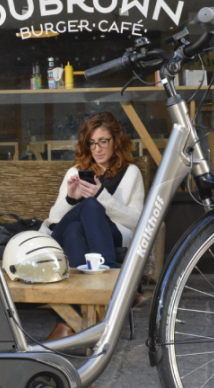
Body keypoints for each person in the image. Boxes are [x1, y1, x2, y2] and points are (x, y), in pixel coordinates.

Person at [41, 112, 145, 342]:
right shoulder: (75, 172)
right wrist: (70, 198)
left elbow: (138, 221)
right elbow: (55, 220)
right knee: (84, 210)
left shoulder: (131, 173)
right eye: (92, 143)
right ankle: (115, 288)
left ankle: (69, 323)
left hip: (110, 235)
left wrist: (102, 197)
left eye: (103, 142)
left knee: (76, 230)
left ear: (116, 142)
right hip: (59, 234)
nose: (97, 149)